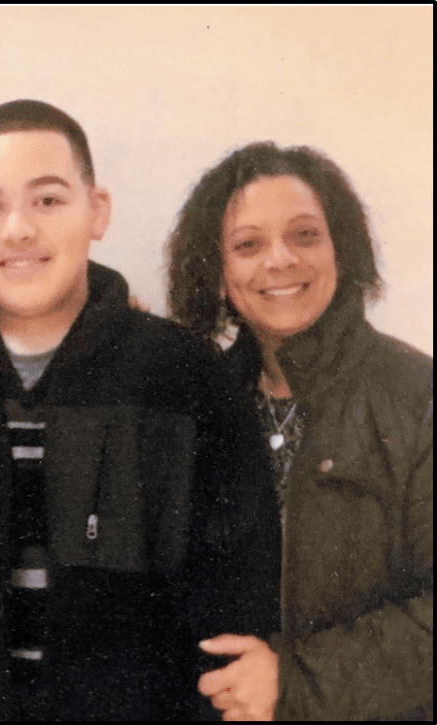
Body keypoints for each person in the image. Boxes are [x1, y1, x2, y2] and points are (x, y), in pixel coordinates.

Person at [0, 99, 279, 720]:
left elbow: (237, 599)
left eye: (48, 200)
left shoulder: (186, 379)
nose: (19, 229)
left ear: (96, 210)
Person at [168, 142, 433, 721]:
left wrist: (294, 682)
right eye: (248, 245)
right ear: (217, 272)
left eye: (305, 235)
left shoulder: (418, 397)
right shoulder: (199, 401)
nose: (280, 259)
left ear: (343, 249)